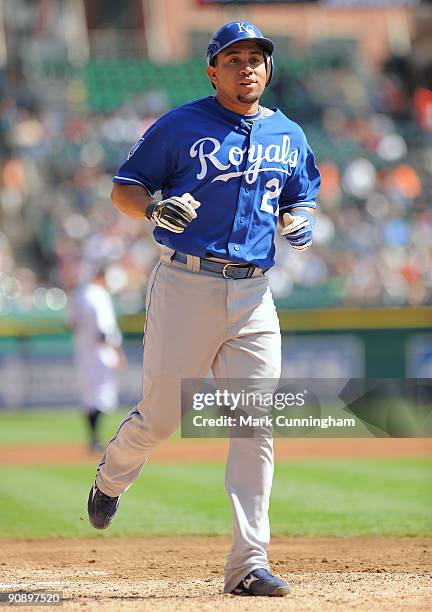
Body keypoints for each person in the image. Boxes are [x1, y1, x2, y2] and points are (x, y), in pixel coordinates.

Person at [87, 20, 320, 597]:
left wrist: (300, 216)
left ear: (268, 69)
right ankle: (112, 478)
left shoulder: (288, 133)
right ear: (212, 70)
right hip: (186, 286)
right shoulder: (181, 125)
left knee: (254, 426)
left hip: (254, 294)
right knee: (162, 418)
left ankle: (248, 565)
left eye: (256, 58)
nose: (247, 67)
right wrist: (154, 210)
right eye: (234, 58)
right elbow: (125, 188)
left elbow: (300, 193)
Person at [69, 266, 125, 452]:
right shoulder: (100, 295)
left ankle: (92, 439)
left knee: (89, 397)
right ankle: (95, 440)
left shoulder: (80, 294)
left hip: (83, 353)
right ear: (101, 277)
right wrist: (117, 352)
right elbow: (104, 330)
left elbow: (71, 323)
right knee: (103, 395)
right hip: (101, 353)